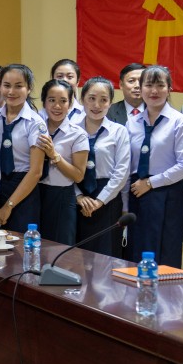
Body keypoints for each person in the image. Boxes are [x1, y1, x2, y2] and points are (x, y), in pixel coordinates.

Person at [126, 65, 183, 268]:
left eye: (160, 85)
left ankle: (166, 299)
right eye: (149, 85)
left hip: (167, 195)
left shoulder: (179, 122)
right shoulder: (133, 122)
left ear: (169, 88)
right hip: (137, 193)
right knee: (137, 250)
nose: (154, 91)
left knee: (165, 253)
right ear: (141, 88)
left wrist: (152, 183)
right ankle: (136, 297)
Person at [0, 64, 46, 233]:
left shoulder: (36, 123)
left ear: (29, 88)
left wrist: (8, 206)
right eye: (6, 85)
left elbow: (36, 171)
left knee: (20, 248)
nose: (11, 92)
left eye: (18, 86)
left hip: (24, 190)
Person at [75, 77, 130, 257]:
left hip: (108, 198)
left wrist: (100, 200)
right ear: (82, 99)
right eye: (91, 98)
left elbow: (122, 171)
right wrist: (79, 195)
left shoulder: (118, 131)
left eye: (104, 100)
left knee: (106, 255)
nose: (97, 105)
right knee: (77, 256)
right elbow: (63, 168)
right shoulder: (71, 130)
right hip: (78, 198)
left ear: (110, 103)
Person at [35, 80, 89, 245]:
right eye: (51, 100)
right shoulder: (35, 128)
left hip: (62, 198)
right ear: (44, 102)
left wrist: (54, 155)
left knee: (59, 251)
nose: (57, 106)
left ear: (70, 103)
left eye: (63, 101)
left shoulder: (77, 134)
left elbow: (78, 176)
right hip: (34, 194)